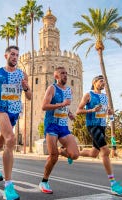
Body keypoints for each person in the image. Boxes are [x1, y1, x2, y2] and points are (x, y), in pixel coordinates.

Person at [0, 45, 31, 200]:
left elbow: (29, 97)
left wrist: (26, 88)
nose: (15, 57)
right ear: (6, 56)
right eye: (12, 54)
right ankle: (8, 186)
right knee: (10, 140)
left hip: (14, 112)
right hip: (0, 109)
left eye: (17, 55)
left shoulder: (23, 75)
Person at [76, 75, 122, 195]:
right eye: (101, 81)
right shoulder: (88, 95)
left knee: (94, 153)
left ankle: (73, 153)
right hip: (92, 125)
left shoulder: (104, 97)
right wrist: (92, 110)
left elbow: (106, 111)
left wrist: (110, 113)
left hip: (102, 126)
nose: (103, 84)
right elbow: (78, 110)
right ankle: (113, 184)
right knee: (105, 151)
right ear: (94, 82)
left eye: (104, 82)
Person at [39, 66, 79, 194]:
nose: (65, 75)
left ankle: (62, 151)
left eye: (66, 73)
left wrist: (70, 113)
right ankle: (44, 181)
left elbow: (66, 106)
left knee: (75, 155)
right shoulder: (52, 88)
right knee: (53, 156)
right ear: (56, 76)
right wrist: (61, 104)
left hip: (63, 126)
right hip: (51, 125)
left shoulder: (69, 90)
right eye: (62, 73)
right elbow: (44, 106)